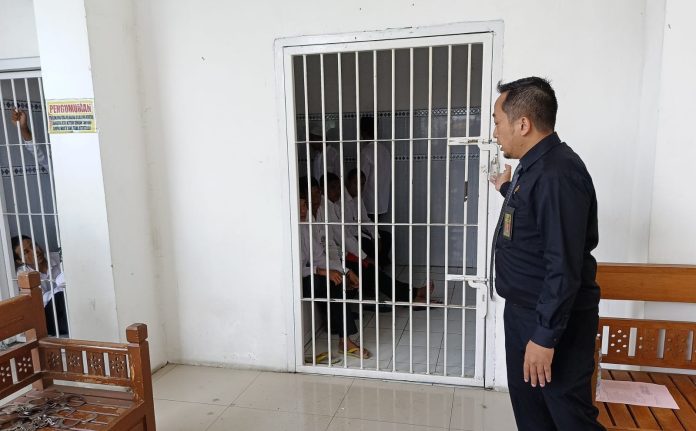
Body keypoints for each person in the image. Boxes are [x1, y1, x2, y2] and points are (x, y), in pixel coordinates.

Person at [489, 77, 603, 430]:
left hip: (550, 320)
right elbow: (534, 215)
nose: (495, 133)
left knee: (567, 416)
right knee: (533, 413)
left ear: (523, 124)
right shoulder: (535, 167)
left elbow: (563, 263)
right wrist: (505, 187)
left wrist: (544, 335)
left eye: (497, 121)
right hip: (527, 312)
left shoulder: (557, 174)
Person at [319, 173, 435, 307]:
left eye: (338, 187)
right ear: (323, 189)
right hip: (332, 259)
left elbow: (348, 233)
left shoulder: (333, 205)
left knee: (373, 267)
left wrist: (365, 250)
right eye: (332, 187)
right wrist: (363, 257)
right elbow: (342, 238)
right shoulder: (326, 208)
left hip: (340, 254)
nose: (337, 191)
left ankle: (411, 294)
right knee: (370, 270)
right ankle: (411, 295)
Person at [298, 177, 371, 359]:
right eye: (300, 205)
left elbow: (319, 256)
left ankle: (344, 340)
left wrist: (345, 271)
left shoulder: (305, 226)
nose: (303, 210)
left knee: (337, 279)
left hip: (310, 274)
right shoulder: (288, 229)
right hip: (296, 279)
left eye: (304, 205)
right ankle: (342, 337)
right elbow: (293, 269)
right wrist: (321, 271)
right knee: (326, 281)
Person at [12, 235, 68, 336]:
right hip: (48, 316)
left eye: (33, 245)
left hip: (69, 304)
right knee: (60, 297)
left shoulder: (58, 257)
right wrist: (61, 287)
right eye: (26, 252)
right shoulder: (22, 274)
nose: (35, 251)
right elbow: (39, 301)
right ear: (20, 261)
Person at [358, 121, 392, 264]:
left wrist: (356, 200)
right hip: (382, 200)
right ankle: (382, 259)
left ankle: (377, 260)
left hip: (368, 201)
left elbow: (361, 179)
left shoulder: (366, 152)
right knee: (375, 231)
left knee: (370, 233)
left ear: (364, 132)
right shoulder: (385, 150)